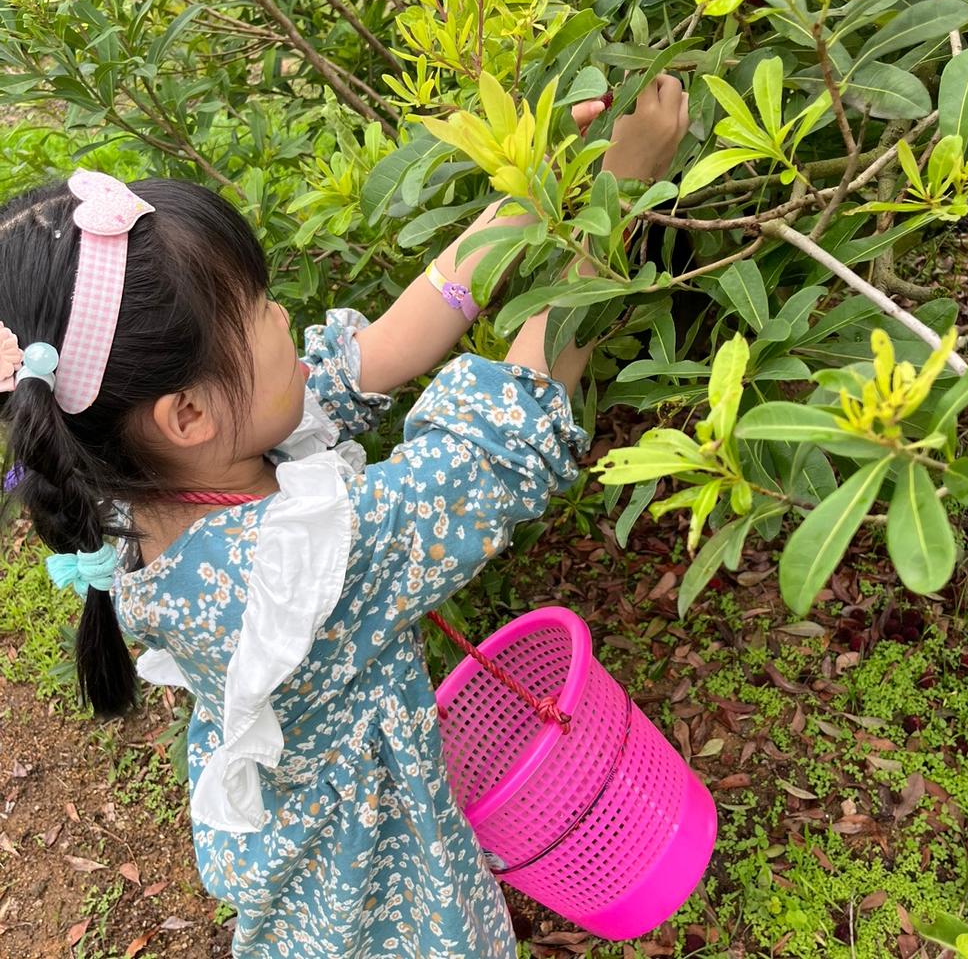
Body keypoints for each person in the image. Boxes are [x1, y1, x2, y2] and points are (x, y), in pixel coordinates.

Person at [0, 75, 689, 958]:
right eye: (259, 310)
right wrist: (616, 202)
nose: (286, 314)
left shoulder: (138, 476)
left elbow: (385, 345)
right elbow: (494, 444)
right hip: (378, 893)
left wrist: (534, 193)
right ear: (187, 415)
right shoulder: (295, 571)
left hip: (309, 849)